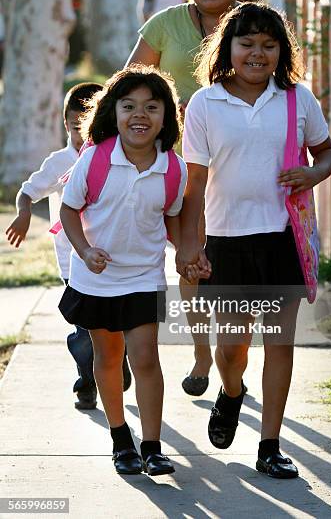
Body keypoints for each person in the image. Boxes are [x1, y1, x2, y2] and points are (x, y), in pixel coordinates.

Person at [177, 2, 331, 478]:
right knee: (230, 348)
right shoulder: (206, 103)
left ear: (281, 51)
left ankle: (270, 445)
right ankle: (231, 392)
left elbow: (328, 153)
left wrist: (312, 172)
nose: (257, 53)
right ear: (227, 47)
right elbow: (195, 183)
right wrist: (192, 245)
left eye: (269, 45)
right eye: (246, 43)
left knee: (279, 343)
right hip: (224, 242)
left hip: (282, 239)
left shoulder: (297, 99)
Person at [58, 65, 188, 476]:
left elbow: (170, 218)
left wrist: (187, 252)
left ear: (166, 117)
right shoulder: (95, 158)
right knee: (109, 357)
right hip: (95, 276)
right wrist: (84, 249)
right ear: (113, 112)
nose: (140, 115)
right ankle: (120, 440)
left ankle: (151, 446)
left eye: (152, 107)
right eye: (129, 105)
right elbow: (68, 209)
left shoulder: (173, 169)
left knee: (146, 357)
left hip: (144, 277)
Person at [126, 0, 243, 396]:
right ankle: (200, 354)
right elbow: (129, 86)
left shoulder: (254, 25)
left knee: (235, 268)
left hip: (239, 167)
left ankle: (234, 361)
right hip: (179, 168)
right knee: (191, 262)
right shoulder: (164, 25)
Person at [4, 83, 133, 411]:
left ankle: (119, 359)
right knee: (86, 329)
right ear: (66, 124)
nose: (84, 132)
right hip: (73, 262)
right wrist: (22, 214)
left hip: (113, 258)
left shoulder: (119, 155)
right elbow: (27, 192)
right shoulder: (59, 161)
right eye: (77, 126)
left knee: (115, 323)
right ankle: (87, 380)